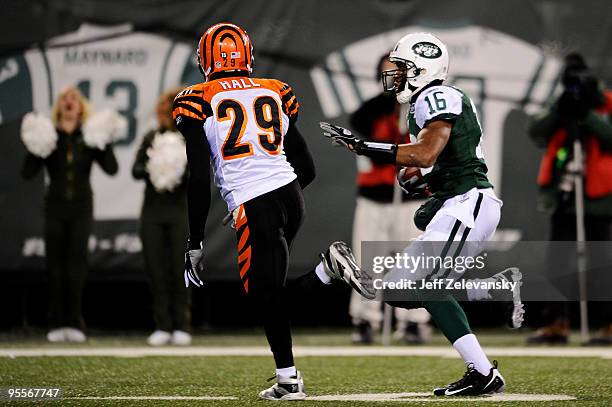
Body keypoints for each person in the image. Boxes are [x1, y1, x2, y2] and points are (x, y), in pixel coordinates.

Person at [173, 22, 373, 400]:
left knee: (264, 297)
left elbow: (198, 176)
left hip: (255, 202)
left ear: (205, 59)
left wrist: (195, 239)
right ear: (247, 55)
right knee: (272, 295)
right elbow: (307, 167)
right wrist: (279, 195)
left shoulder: (197, 99)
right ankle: (288, 379)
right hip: (289, 196)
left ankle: (327, 271)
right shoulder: (274, 90)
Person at [322, 32, 524, 396]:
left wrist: (364, 147)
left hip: (468, 204)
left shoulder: (435, 95)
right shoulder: (427, 99)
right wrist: (422, 180)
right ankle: (491, 291)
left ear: (419, 69)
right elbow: (435, 159)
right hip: (454, 203)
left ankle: (483, 372)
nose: (395, 75)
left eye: (401, 68)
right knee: (399, 290)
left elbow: (427, 153)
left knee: (429, 285)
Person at [21, 86, 118, 343]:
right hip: (54, 208)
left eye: (73, 98)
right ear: (59, 105)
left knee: (77, 267)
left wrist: (104, 142)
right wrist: (35, 145)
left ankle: (74, 322)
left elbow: (112, 169)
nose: (69, 102)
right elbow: (27, 172)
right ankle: (56, 322)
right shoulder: (49, 136)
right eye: (64, 98)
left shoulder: (88, 136)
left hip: (81, 209)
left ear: (81, 105)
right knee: (55, 267)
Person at [527, 53, 612, 345]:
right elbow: (536, 131)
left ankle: (607, 325)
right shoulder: (560, 103)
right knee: (557, 262)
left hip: (601, 197)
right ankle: (556, 322)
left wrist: (587, 114)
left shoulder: (606, 103)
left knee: (601, 261)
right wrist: (561, 111)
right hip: (564, 193)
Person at [348, 54, 431, 344]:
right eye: (387, 73)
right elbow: (360, 123)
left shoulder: (420, 107)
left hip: (409, 197)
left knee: (414, 261)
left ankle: (413, 321)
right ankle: (365, 319)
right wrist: (392, 101)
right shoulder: (373, 109)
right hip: (374, 198)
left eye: (397, 73)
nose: (392, 78)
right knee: (367, 261)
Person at [132, 89, 192, 346]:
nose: (163, 114)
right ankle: (162, 324)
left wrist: (177, 170)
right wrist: (155, 167)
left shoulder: (188, 139)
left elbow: (195, 174)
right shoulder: (150, 138)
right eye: (161, 109)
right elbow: (135, 170)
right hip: (153, 214)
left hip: (179, 212)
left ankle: (182, 325)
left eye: (168, 109)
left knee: (180, 268)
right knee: (156, 268)